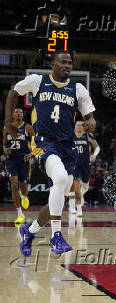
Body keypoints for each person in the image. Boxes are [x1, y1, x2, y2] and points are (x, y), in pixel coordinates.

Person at [5, 51, 96, 257]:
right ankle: (56, 237)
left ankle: (29, 231)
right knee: (62, 179)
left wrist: (91, 123)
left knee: (59, 196)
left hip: (67, 146)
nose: (67, 65)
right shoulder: (38, 81)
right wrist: (8, 122)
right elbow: (13, 91)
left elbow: (90, 117)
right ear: (53, 64)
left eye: (70, 62)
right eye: (62, 62)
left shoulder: (78, 89)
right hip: (43, 142)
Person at [3, 108, 34, 225]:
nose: (18, 113)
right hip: (11, 160)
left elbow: (35, 143)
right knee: (14, 183)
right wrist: (5, 150)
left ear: (23, 115)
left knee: (23, 183)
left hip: (23, 159)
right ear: (12, 114)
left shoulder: (28, 128)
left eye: (20, 112)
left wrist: (31, 154)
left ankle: (24, 196)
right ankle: (20, 213)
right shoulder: (7, 128)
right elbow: (4, 144)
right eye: (15, 111)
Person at [68, 120, 100, 216]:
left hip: (86, 164)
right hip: (74, 164)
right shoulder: (70, 136)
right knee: (75, 187)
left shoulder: (87, 135)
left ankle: (79, 198)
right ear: (75, 126)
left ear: (84, 127)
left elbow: (97, 147)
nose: (79, 127)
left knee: (85, 186)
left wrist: (94, 155)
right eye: (77, 125)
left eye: (81, 125)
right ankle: (76, 208)